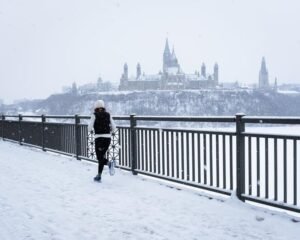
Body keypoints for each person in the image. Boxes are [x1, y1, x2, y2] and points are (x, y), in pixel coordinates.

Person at [88, 100, 116, 182]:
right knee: (101, 157)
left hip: (99, 139)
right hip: (107, 138)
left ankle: (109, 164)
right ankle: (99, 175)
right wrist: (108, 131)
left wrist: (94, 126)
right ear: (103, 107)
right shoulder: (108, 114)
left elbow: (89, 128)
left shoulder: (94, 115)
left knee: (99, 157)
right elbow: (114, 127)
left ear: (95, 107)